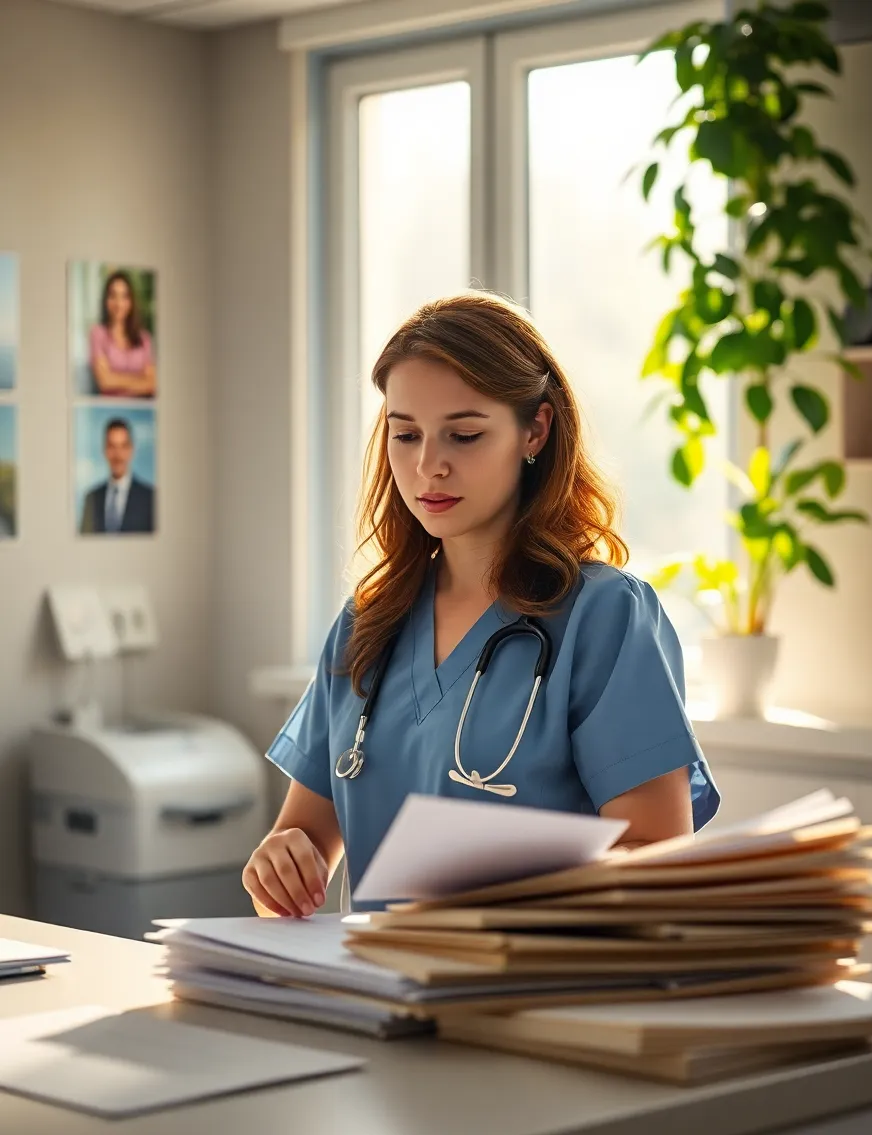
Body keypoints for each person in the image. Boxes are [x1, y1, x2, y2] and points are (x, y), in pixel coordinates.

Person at [243, 292, 720, 918]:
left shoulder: (604, 617)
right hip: (380, 993)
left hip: (536, 994)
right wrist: (279, 866)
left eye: (464, 435)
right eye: (405, 433)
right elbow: (303, 842)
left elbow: (654, 861)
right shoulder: (368, 624)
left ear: (536, 430)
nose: (427, 466)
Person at [80, 417, 155, 534]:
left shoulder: (150, 498)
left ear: (131, 450)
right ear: (104, 450)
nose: (117, 454)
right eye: (112, 446)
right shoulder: (91, 498)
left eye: (123, 446)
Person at [88, 270, 156, 398]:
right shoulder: (98, 334)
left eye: (124, 296)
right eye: (113, 296)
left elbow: (152, 383)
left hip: (142, 409)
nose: (119, 304)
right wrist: (139, 380)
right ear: (106, 300)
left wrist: (117, 380)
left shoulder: (144, 338)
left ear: (131, 302)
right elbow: (105, 382)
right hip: (110, 411)